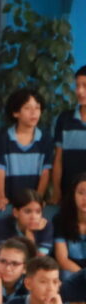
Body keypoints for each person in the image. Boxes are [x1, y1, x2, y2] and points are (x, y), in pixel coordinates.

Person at [0, 89, 53, 212]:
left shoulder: (45, 139)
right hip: (9, 202)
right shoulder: (3, 138)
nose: (34, 113)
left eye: (37, 108)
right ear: (15, 113)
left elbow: (45, 172)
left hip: (34, 202)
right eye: (27, 108)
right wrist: (0, 196)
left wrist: (38, 198)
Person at [51, 66, 86, 204]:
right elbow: (58, 160)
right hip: (68, 194)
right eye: (77, 86)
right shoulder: (64, 119)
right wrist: (56, 191)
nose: (80, 91)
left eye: (85, 86)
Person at [0, 189, 54, 257]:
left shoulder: (46, 226)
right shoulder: (3, 224)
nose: (33, 217)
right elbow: (5, 255)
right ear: (15, 212)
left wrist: (29, 232)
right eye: (28, 211)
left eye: (38, 212)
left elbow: (39, 259)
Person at [52, 173, 86, 273]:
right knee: (66, 274)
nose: (85, 198)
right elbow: (62, 260)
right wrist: (82, 277)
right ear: (73, 195)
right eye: (81, 193)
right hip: (72, 272)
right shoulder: (61, 219)